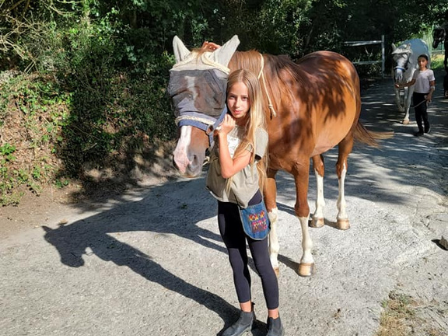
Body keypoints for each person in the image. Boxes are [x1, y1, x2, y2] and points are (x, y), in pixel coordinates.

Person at [206, 69, 284, 336]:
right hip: (225, 205)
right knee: (236, 262)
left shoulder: (256, 134)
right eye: (231, 97)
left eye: (244, 98)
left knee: (262, 264)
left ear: (253, 101)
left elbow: (228, 171)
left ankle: (274, 320)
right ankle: (246, 316)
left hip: (250, 207)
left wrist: (221, 137)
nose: (236, 104)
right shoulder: (223, 123)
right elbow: (208, 86)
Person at [395, 54, 435, 136]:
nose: (421, 63)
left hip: (425, 95)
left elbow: (433, 86)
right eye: (419, 61)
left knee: (423, 112)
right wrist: (401, 85)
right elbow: (412, 82)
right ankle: (420, 130)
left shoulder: (430, 72)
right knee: (417, 113)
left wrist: (430, 94)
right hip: (416, 94)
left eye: (423, 61)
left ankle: (427, 126)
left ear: (426, 62)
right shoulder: (416, 72)